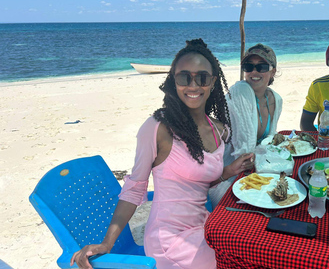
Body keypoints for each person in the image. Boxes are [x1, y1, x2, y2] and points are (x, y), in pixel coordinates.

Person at [71, 39, 254, 269]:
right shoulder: (159, 128)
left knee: (252, 245)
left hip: (202, 226)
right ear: (173, 82)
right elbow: (134, 189)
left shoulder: (219, 130)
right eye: (184, 77)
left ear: (213, 82)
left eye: (202, 77)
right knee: (238, 261)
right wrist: (107, 243)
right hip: (170, 240)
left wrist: (229, 170)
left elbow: (197, 183)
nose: (193, 85)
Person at [208, 43, 283, 208]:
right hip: (227, 174)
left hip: (256, 169)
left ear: (273, 71)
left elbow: (269, 139)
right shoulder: (240, 91)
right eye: (248, 67)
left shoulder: (276, 100)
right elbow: (244, 153)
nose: (254, 72)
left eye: (261, 67)